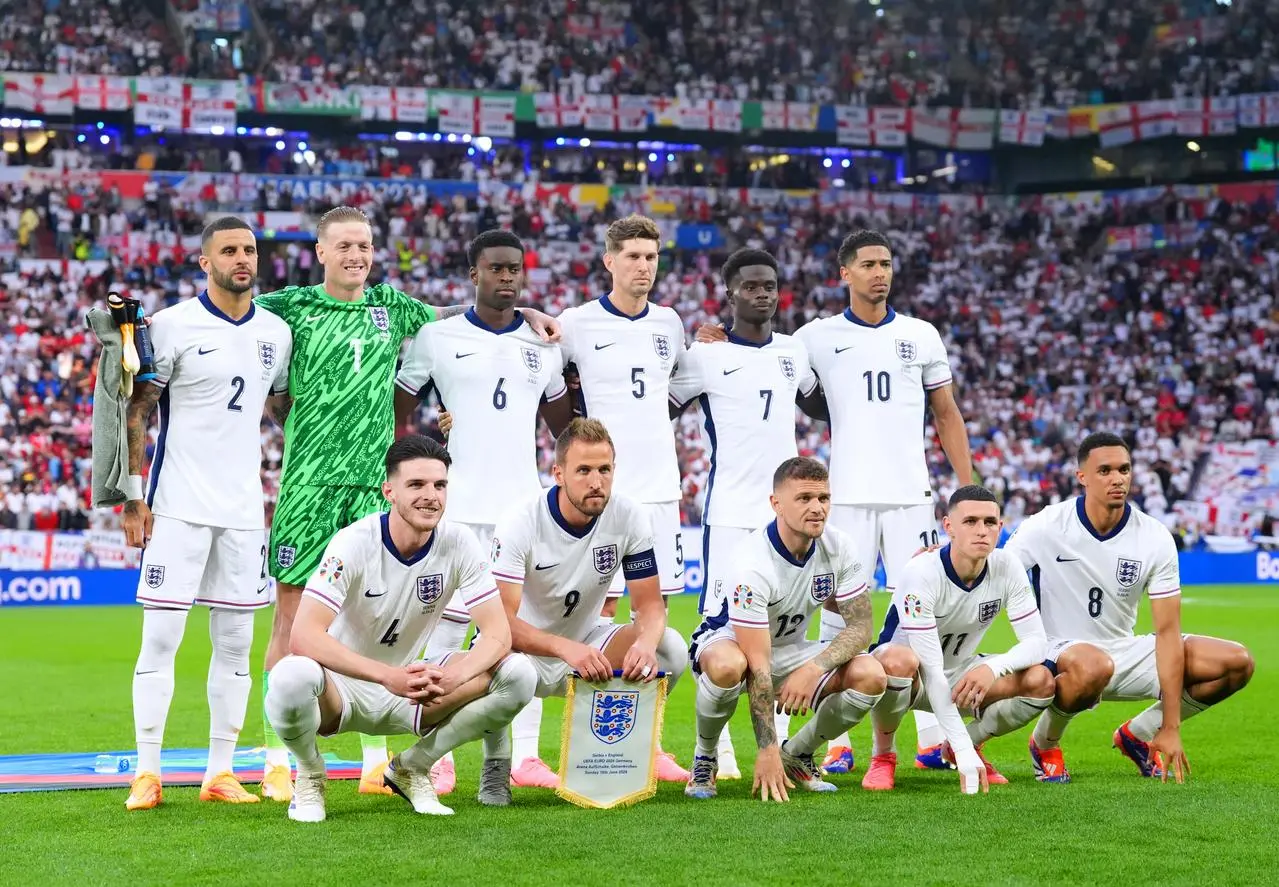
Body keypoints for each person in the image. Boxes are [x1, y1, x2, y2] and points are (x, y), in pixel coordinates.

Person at [255, 206, 558, 800]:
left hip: (376, 483)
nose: (355, 256)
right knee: (290, 621)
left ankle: (377, 760)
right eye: (343, 246)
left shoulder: (393, 308)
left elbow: (462, 317)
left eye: (364, 245)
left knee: (380, 617)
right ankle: (277, 759)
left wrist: (525, 312)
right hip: (307, 486)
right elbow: (248, 344)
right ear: (320, 251)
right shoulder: (286, 306)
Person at [264, 435, 537, 822]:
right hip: (341, 691)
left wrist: (453, 677)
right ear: (388, 491)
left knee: (518, 674)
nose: (431, 496)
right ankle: (310, 772)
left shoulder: (459, 542)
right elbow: (303, 636)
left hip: (411, 693)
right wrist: (387, 676)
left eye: (439, 485)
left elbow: (497, 635)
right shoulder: (353, 542)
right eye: (416, 485)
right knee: (289, 675)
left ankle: (413, 765)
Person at [509, 214, 691, 786]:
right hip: (596, 492)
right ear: (609, 261)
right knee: (586, 614)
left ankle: (639, 746)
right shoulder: (577, 324)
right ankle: (529, 756)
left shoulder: (671, 325)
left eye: (651, 257)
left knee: (653, 627)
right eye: (632, 256)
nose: (643, 266)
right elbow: (544, 380)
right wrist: (534, 315)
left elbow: (680, 390)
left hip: (657, 491)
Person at [121, 216, 293, 811]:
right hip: (178, 507)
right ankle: (147, 771)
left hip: (245, 512)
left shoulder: (276, 332)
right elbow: (136, 412)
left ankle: (220, 772)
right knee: (162, 637)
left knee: (237, 644)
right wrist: (132, 496)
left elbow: (282, 410)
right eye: (229, 251)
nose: (242, 259)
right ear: (205, 261)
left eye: (249, 250)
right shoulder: (171, 326)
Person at [393, 229, 573, 793]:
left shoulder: (545, 343)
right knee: (444, 627)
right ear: (474, 273)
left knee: (524, 629)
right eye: (496, 268)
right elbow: (396, 413)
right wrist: (425, 453)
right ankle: (437, 754)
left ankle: (525, 759)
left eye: (515, 268)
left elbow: (565, 432)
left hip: (523, 509)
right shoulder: (435, 337)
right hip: (455, 509)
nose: (507, 277)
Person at [793, 229, 973, 774]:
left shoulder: (921, 335)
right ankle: (837, 740)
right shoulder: (815, 337)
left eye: (887, 264)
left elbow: (946, 412)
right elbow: (768, 363)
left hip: (909, 497)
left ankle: (928, 735)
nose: (880, 273)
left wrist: (966, 486)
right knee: (836, 613)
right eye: (869, 264)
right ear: (844, 273)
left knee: (921, 613)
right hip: (844, 497)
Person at [1005, 432, 1255, 784]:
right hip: (1060, 651)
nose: (1117, 478)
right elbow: (995, 572)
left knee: (1235, 664)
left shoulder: (1153, 536)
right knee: (1091, 665)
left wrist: (1169, 726)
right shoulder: (1045, 525)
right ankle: (1046, 744)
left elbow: (1167, 632)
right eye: (1104, 470)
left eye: (1124, 469)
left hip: (1122, 650)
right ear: (1082, 477)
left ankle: (1138, 734)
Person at [668, 248, 826, 779]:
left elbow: (822, 404)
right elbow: (658, 406)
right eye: (751, 285)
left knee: (783, 632)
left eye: (770, 284)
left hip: (787, 515)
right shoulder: (704, 356)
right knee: (722, 633)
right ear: (729, 292)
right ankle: (714, 754)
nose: (763, 293)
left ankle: (782, 749)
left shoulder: (793, 352)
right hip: (732, 514)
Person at [484, 418, 688, 799]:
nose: (596, 481)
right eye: (584, 470)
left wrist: (644, 643)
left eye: (604, 469)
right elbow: (500, 624)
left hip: (587, 641)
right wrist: (565, 648)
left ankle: (618, 750)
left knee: (670, 649)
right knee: (498, 658)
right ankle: (496, 765)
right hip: (523, 648)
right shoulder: (520, 520)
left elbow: (650, 606)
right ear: (558, 472)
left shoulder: (628, 515)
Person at [685, 456, 884, 801]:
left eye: (823, 498)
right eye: (804, 499)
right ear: (776, 504)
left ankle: (799, 754)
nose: (817, 508)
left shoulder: (839, 546)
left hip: (790, 647)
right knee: (729, 666)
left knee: (871, 674)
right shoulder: (752, 561)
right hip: (730, 643)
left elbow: (863, 627)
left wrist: (813, 668)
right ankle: (705, 756)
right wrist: (766, 750)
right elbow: (758, 662)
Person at [861, 485, 1054, 793]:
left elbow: (1037, 643)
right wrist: (966, 757)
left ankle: (964, 744)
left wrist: (994, 668)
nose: (982, 531)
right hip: (908, 676)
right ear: (948, 527)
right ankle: (883, 756)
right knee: (901, 660)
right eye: (970, 521)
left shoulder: (1007, 565)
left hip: (960, 674)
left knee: (1041, 680)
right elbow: (932, 670)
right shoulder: (922, 571)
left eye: (990, 522)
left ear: (1000, 527)